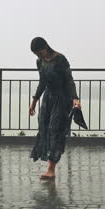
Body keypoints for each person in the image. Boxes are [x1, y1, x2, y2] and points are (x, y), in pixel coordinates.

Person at [29, 37, 81, 180]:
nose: (39, 55)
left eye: (39, 52)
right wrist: (34, 101)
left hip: (62, 97)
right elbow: (42, 82)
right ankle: (50, 167)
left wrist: (75, 98)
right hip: (48, 98)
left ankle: (51, 169)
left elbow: (69, 80)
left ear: (46, 46)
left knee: (55, 130)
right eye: (36, 54)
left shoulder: (60, 59)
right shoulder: (40, 62)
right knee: (44, 128)